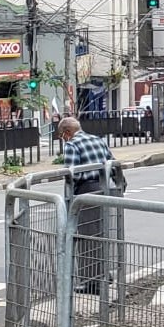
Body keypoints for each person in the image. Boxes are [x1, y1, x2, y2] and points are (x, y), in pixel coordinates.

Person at [57, 116, 117, 295]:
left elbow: (72, 173)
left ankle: (92, 282)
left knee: (85, 237)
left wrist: (70, 199)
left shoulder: (72, 145)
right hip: (105, 189)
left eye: (62, 135)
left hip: (86, 191)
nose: (63, 139)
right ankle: (104, 273)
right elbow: (113, 163)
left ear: (67, 132)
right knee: (100, 234)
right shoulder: (98, 140)